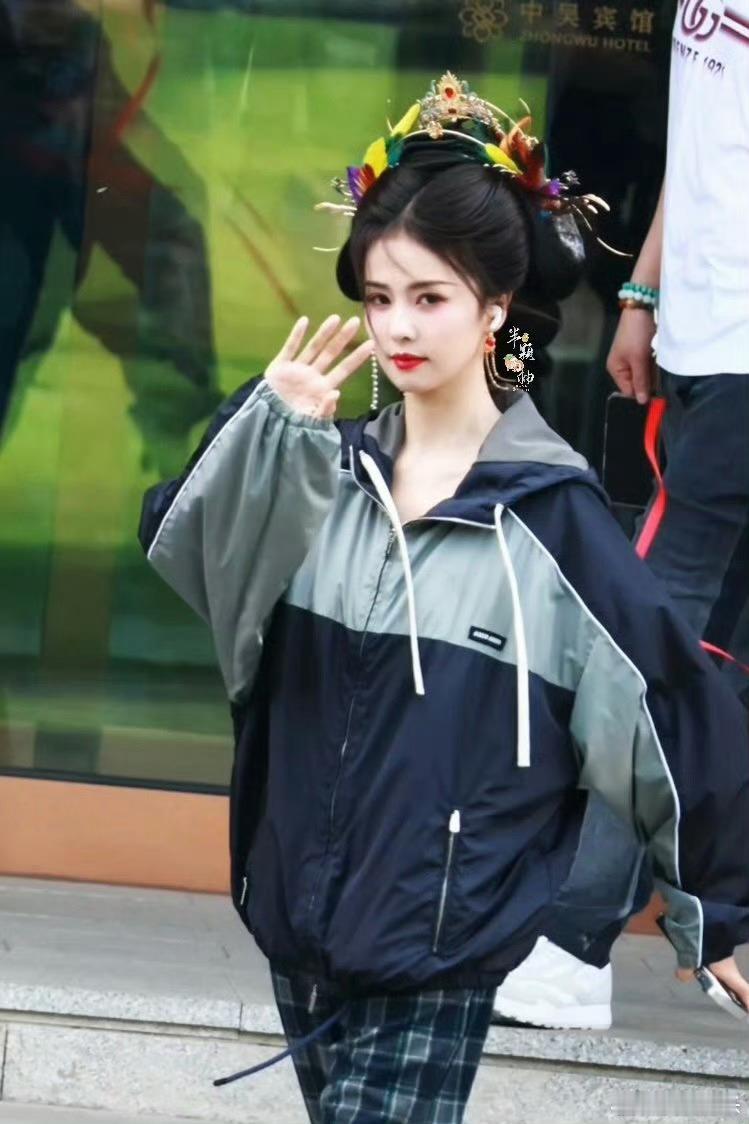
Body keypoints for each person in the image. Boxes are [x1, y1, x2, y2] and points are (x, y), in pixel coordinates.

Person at [139, 73, 749, 1124]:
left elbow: (666, 712)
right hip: (295, 926)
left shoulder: (553, 522)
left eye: (429, 298)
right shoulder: (318, 475)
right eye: (379, 298)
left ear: (494, 307)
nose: (396, 327)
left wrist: (720, 913)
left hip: (441, 950)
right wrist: (262, 430)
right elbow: (188, 555)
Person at [493, 0, 749, 1032]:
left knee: (655, 637)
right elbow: (704, 147)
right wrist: (642, 295)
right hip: (705, 338)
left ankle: (571, 937)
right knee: (694, 644)